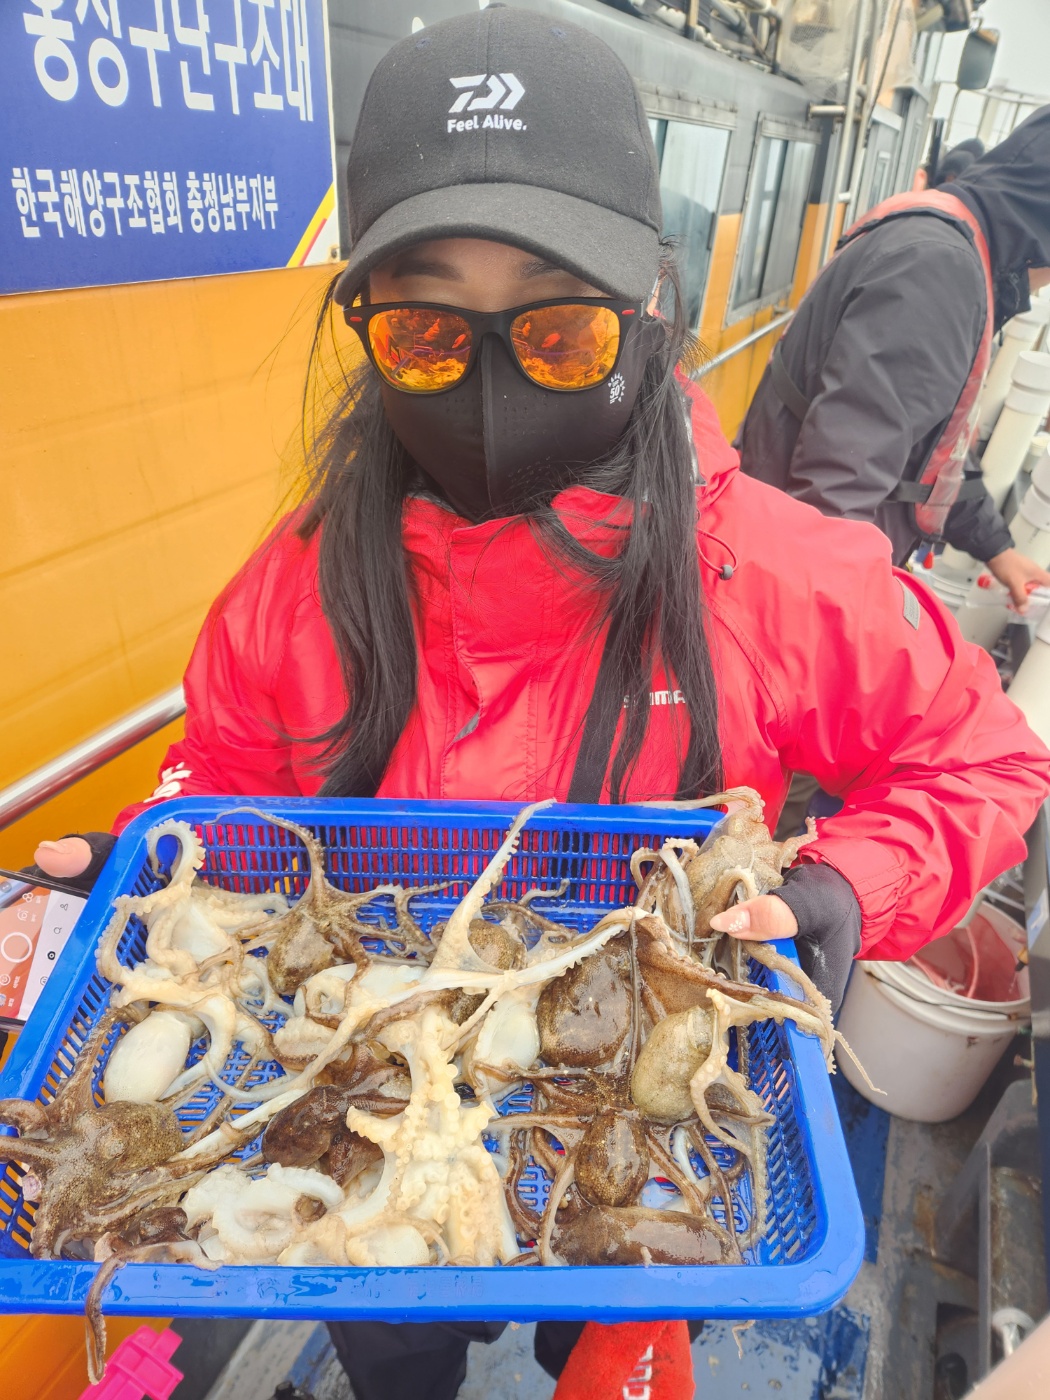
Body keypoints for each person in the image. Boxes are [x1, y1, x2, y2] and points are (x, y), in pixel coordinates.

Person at [32, 10, 1050, 1400]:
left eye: (560, 330)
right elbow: (226, 796)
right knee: (396, 1353)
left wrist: (845, 889)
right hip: (370, 1109)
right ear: (370, 336)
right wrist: (157, 882)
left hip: (644, 1116)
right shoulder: (287, 598)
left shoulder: (774, 578)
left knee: (615, 1347)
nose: (491, 378)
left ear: (648, 311)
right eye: (425, 330)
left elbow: (981, 760)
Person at [737, 107, 1050, 610]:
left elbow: (929, 450)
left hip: (768, 534)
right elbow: (837, 494)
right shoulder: (941, 272)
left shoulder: (941, 233)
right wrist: (840, 623)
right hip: (782, 587)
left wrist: (998, 549)